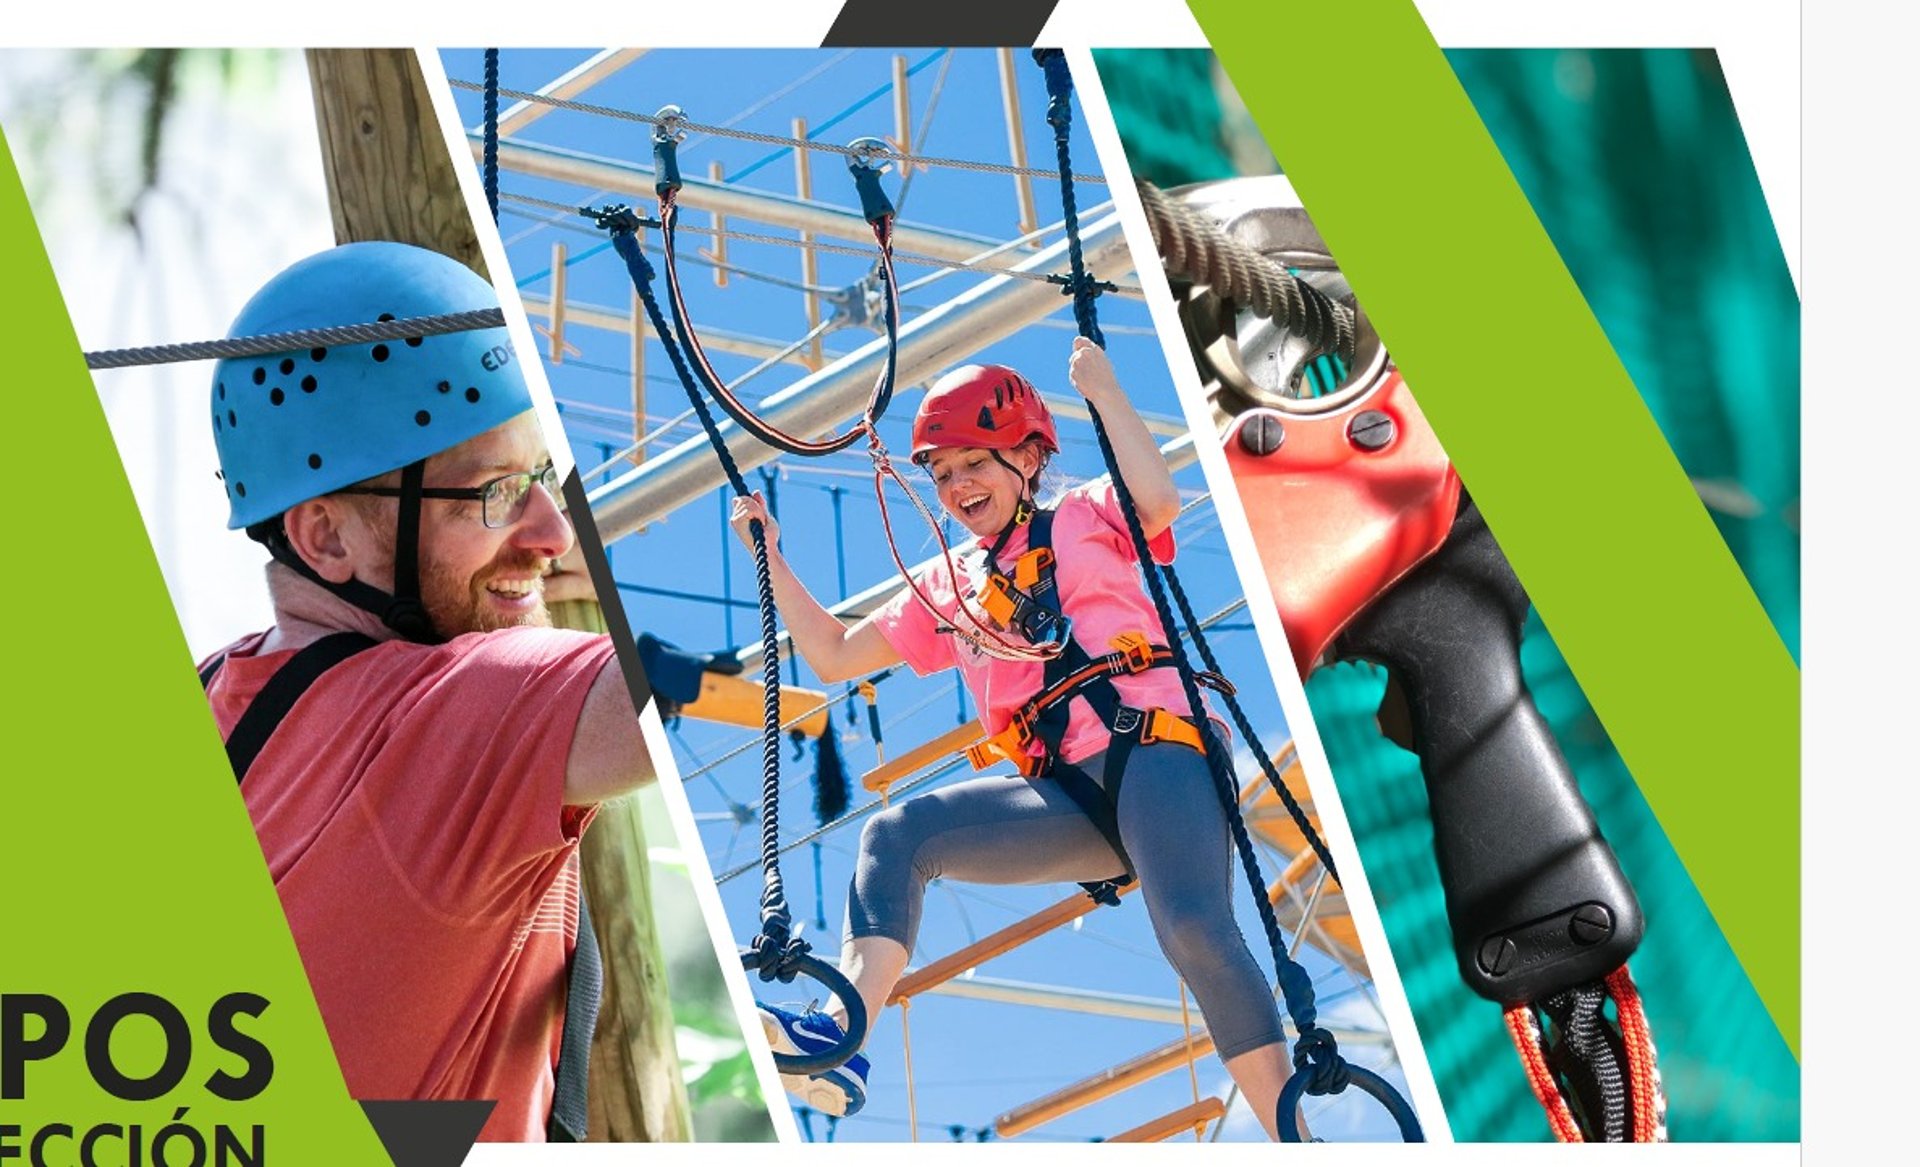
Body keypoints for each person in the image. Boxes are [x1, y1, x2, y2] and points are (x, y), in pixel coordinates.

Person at [731, 337, 1301, 1140]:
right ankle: (843, 1032)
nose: (959, 484)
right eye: (943, 472)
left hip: (1156, 748)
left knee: (1193, 926)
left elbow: (1158, 498)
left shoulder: (1084, 514)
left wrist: (1103, 390)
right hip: (1067, 794)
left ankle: (1292, 1136)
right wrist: (771, 556)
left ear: (1028, 459)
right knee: (897, 834)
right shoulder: (948, 584)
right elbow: (832, 654)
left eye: (976, 462)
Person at [198, 242, 654, 1142]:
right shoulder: (457, 712)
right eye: (492, 494)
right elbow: (688, 699)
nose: (554, 532)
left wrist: (498, 567)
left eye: (540, 477)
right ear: (325, 537)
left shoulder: (215, 695)